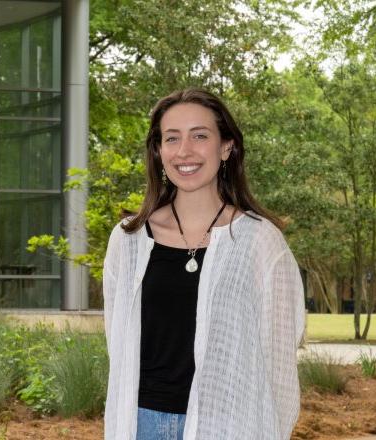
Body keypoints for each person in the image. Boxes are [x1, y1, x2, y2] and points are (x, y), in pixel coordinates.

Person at [103, 88, 305, 440]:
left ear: (226, 147)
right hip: (141, 423)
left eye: (200, 136)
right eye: (172, 138)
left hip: (228, 423)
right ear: (158, 151)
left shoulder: (259, 242)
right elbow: (116, 342)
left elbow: (279, 355)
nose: (185, 151)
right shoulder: (129, 240)